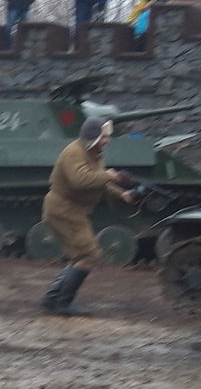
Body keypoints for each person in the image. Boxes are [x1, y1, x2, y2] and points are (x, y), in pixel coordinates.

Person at [41, 115, 137, 317]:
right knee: (89, 255)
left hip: (71, 210)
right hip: (64, 209)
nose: (107, 140)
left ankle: (52, 298)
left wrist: (122, 194)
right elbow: (80, 180)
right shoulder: (74, 152)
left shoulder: (94, 153)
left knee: (79, 256)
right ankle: (62, 303)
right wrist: (108, 175)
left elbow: (99, 182)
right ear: (93, 137)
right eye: (104, 137)